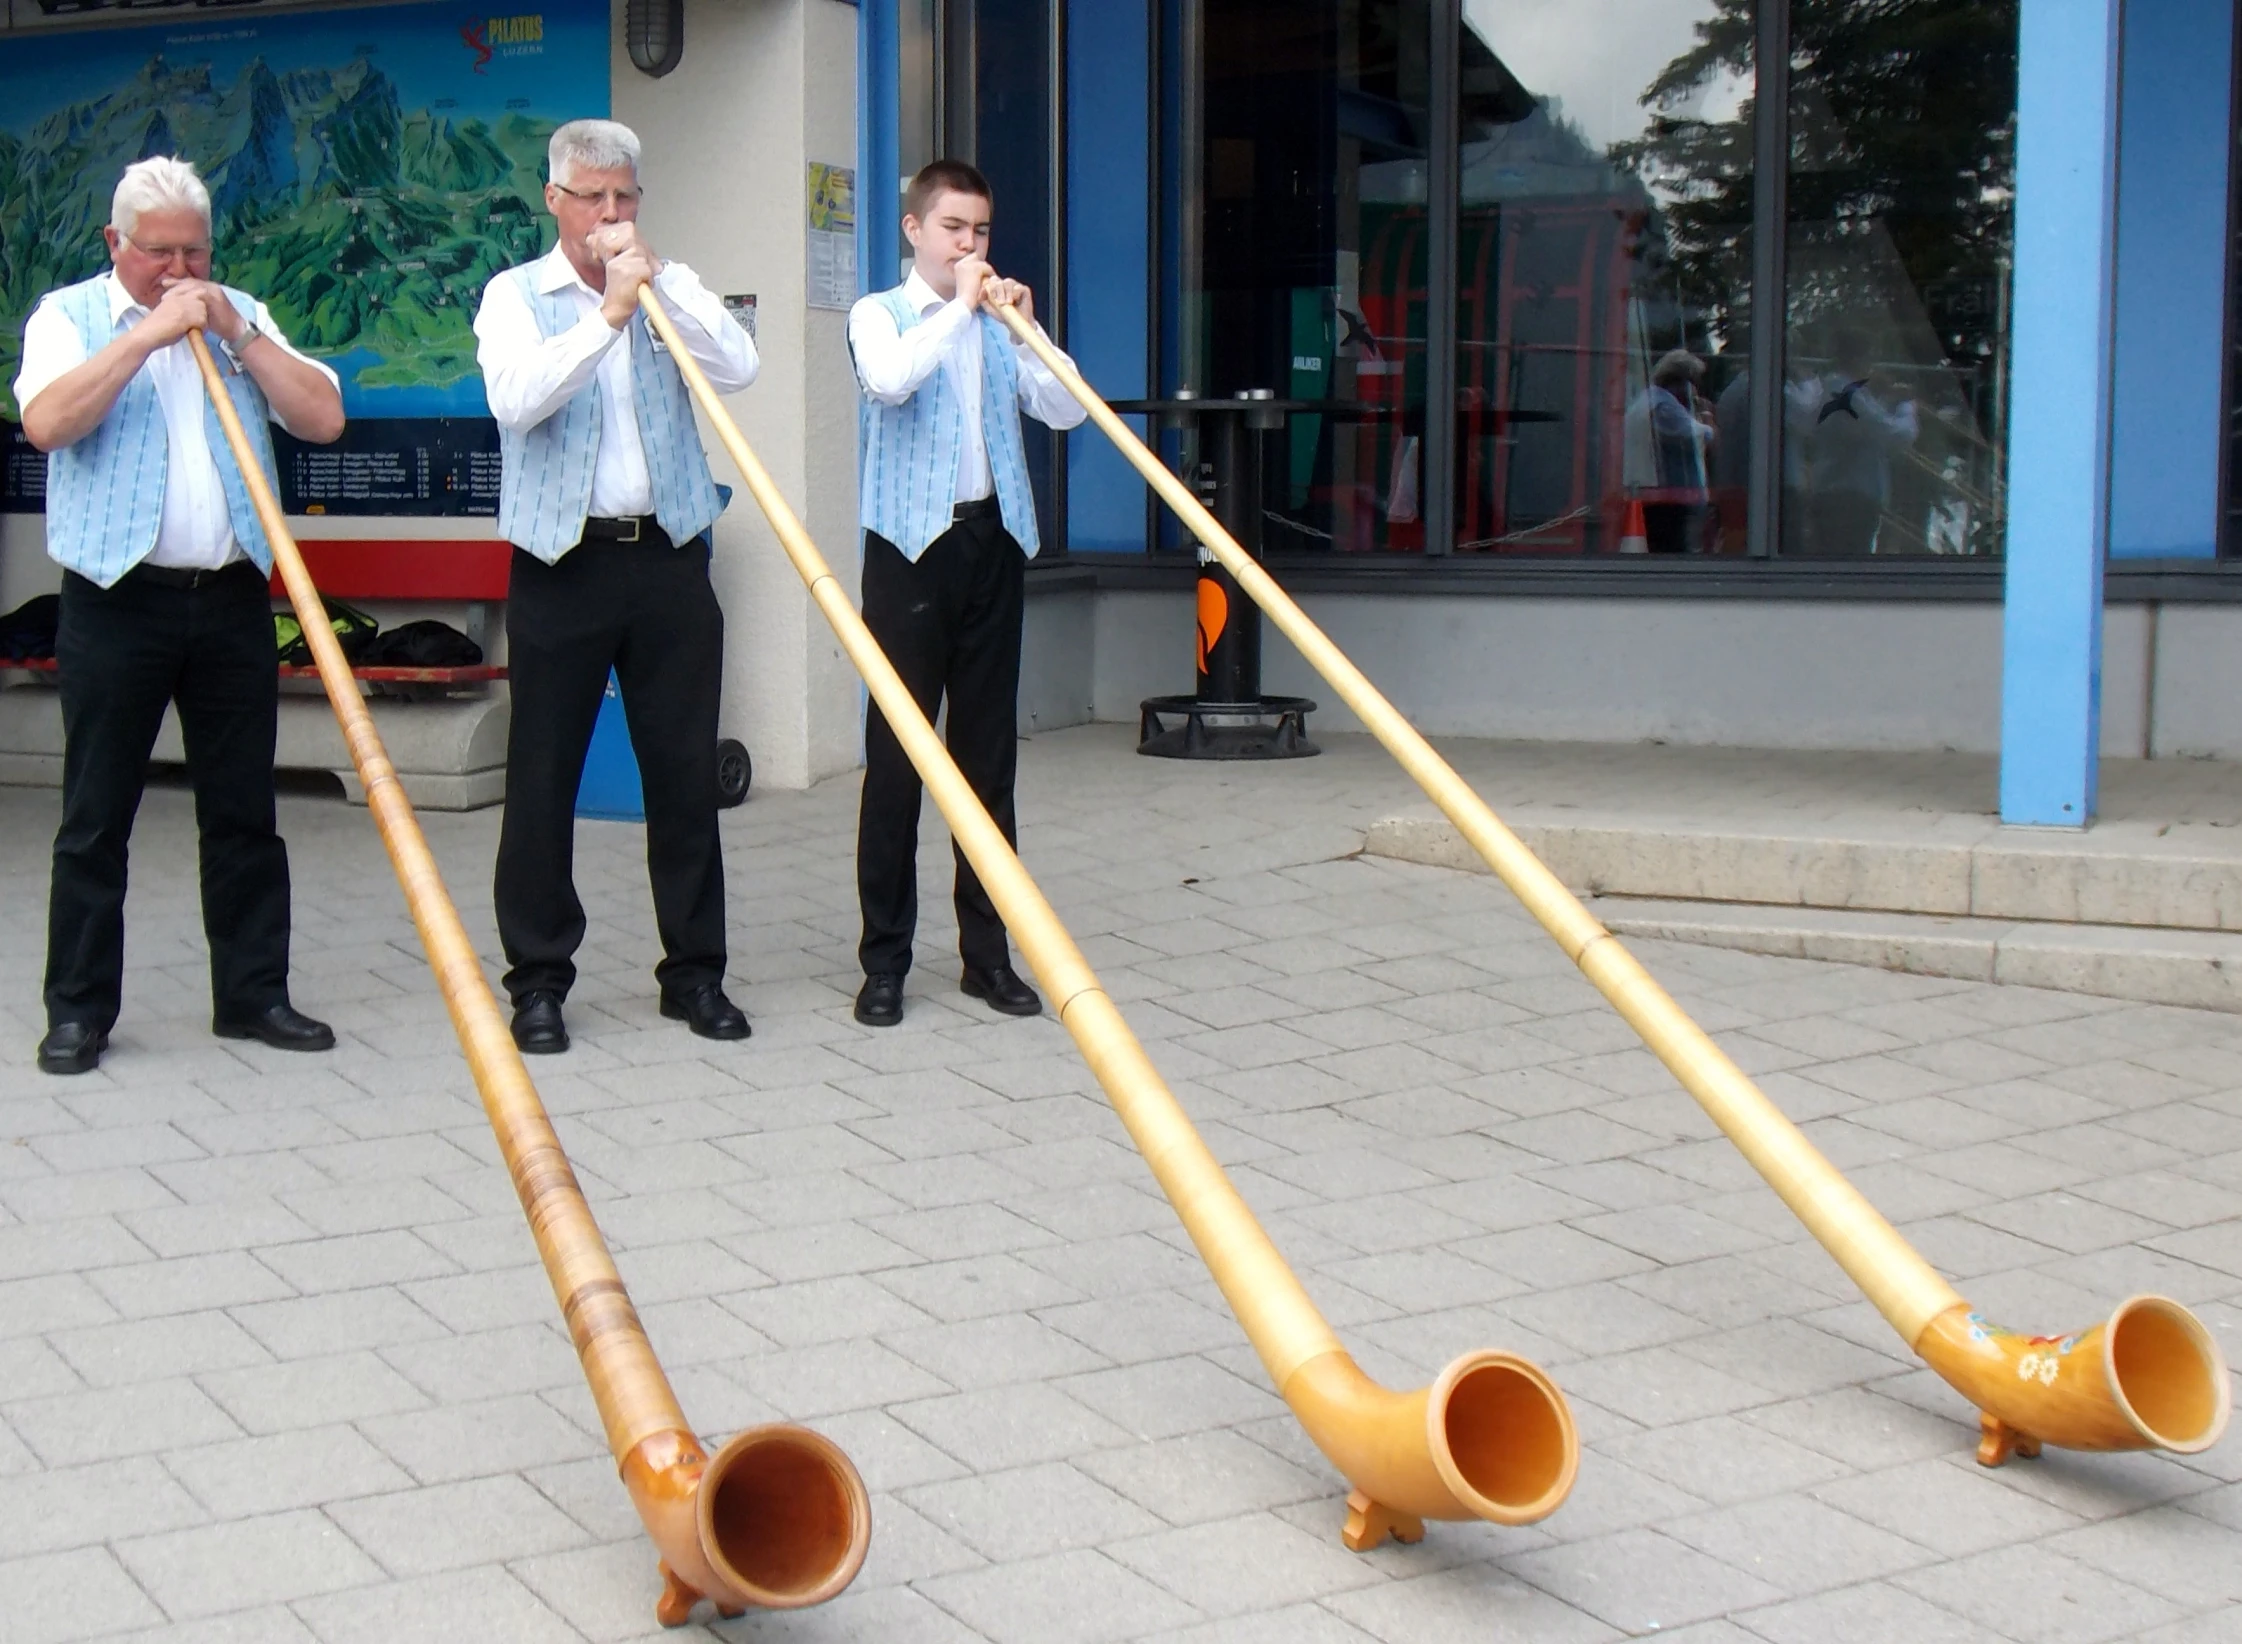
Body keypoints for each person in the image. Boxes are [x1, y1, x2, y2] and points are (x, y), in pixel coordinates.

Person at [14, 157, 345, 1075]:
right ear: (114, 243)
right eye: (157, 252)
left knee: (243, 809)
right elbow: (47, 424)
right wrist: (144, 337)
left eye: (194, 251)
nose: (178, 271)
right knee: (96, 814)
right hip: (117, 599)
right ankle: (78, 1009)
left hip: (232, 597)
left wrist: (236, 328)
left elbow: (322, 418)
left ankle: (253, 995)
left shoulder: (238, 311)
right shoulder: (66, 318)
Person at [473, 118, 759, 1054]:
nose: (608, 214)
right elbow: (518, 401)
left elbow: (741, 367)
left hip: (669, 554)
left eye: (623, 197)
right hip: (564, 561)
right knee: (544, 776)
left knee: (682, 773)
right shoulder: (515, 297)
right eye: (591, 197)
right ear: (554, 202)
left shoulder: (667, 285)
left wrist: (661, 287)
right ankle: (539, 981)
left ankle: (695, 973)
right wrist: (605, 316)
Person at [845, 159, 1086, 1028]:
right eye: (954, 229)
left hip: (992, 543)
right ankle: (885, 961)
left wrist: (1026, 331)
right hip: (909, 552)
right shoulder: (882, 314)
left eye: (980, 231)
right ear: (914, 230)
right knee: (899, 761)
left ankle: (987, 957)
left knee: (989, 762)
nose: (970, 246)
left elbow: (1067, 411)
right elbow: (890, 380)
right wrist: (958, 308)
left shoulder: (991, 322)